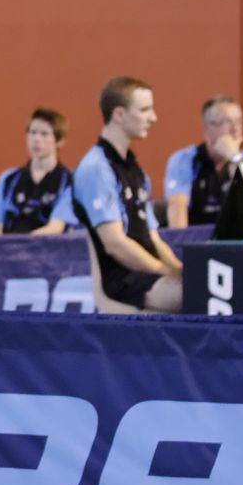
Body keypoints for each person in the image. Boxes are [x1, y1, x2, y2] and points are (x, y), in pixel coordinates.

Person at [72, 76, 183, 312]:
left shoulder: (136, 170)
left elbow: (152, 237)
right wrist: (166, 272)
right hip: (123, 280)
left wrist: (179, 270)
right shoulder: (96, 168)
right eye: (145, 110)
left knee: (214, 288)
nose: (154, 118)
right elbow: (115, 244)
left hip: (148, 272)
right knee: (201, 296)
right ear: (119, 115)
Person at [163, 95, 243, 228]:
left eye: (239, 122)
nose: (235, 129)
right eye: (228, 122)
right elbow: (177, 207)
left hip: (240, 242)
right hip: (198, 240)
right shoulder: (185, 160)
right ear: (208, 127)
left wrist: (234, 159)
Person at [0, 107, 77, 234]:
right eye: (32, 132)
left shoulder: (70, 181)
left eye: (44, 134)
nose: (36, 139)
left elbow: (56, 228)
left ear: (60, 141)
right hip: (6, 249)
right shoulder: (8, 178)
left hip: (46, 249)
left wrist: (23, 246)